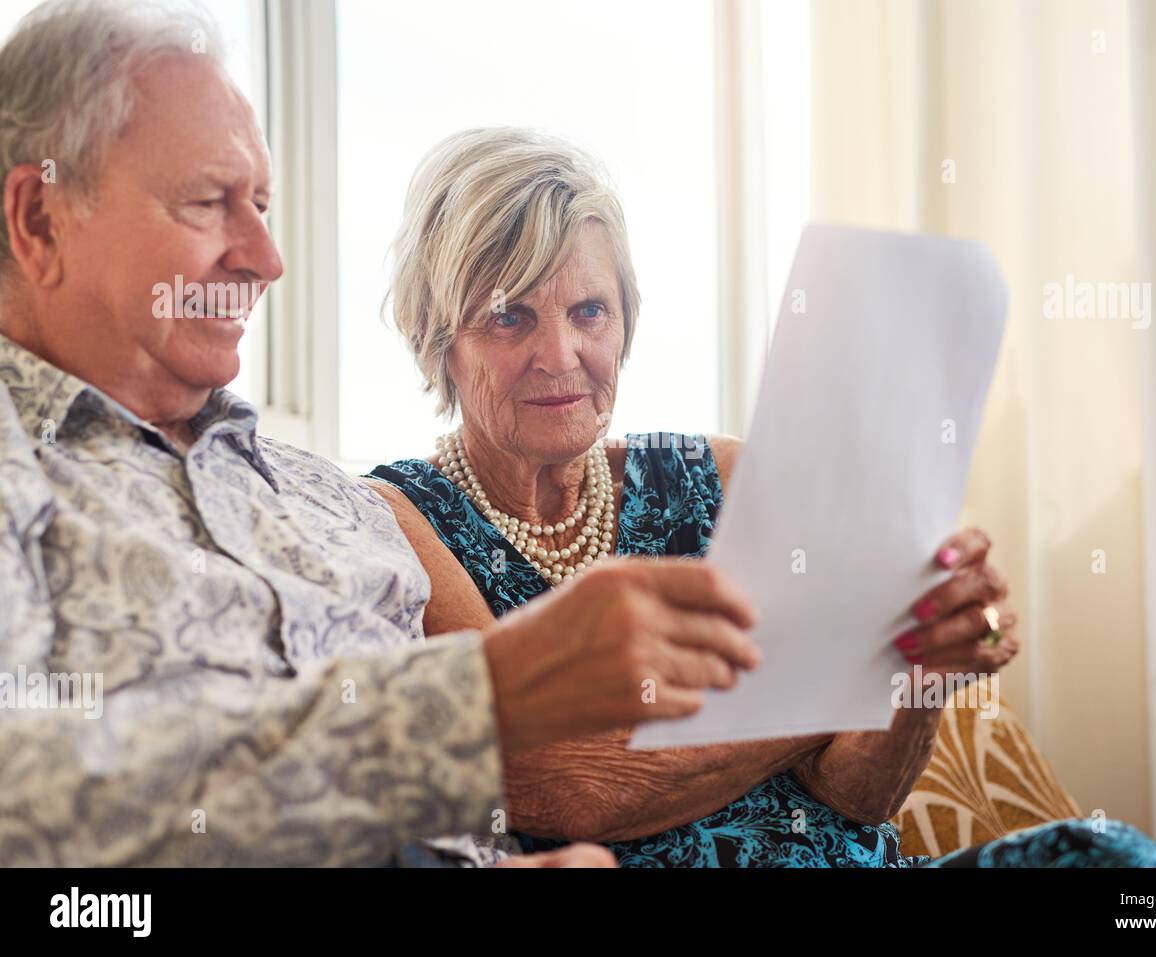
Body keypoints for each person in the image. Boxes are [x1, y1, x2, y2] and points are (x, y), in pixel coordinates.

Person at [0, 0, 761, 867]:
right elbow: (26, 804)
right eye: (210, 202)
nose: (266, 257)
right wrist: (485, 691)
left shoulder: (332, 499)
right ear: (39, 219)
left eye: (262, 204)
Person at [365, 127, 1156, 868]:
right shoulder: (396, 519)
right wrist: (840, 675)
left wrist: (918, 669)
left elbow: (856, 796)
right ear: (439, 339)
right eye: (509, 318)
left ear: (625, 323)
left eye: (589, 311)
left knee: (1122, 862)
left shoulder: (724, 474)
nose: (561, 353)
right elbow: (560, 784)